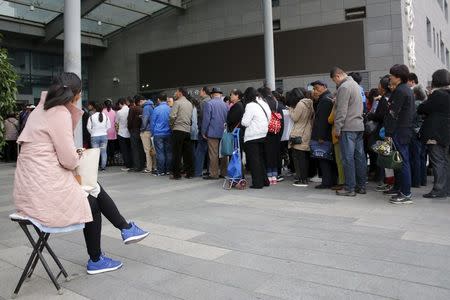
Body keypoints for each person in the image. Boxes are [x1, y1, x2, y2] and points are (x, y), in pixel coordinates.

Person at [13, 72, 149, 275]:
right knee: (92, 194)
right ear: (76, 95)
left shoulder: (40, 110)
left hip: (30, 189)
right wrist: (77, 156)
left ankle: (116, 238)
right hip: (44, 190)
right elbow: (68, 161)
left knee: (92, 197)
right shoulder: (58, 112)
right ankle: (114, 239)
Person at [330, 67, 367, 197]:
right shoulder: (357, 86)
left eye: (334, 80)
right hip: (358, 126)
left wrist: (338, 127)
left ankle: (349, 188)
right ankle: (361, 186)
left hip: (348, 127)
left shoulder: (344, 87)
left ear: (337, 76)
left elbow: (341, 110)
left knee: (347, 158)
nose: (336, 83)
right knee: (360, 157)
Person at [384, 64, 415, 204]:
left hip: (400, 131)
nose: (390, 78)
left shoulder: (401, 91)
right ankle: (401, 189)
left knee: (402, 162)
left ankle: (406, 194)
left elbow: (392, 113)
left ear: (398, 77)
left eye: (392, 75)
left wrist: (389, 132)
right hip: (404, 129)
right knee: (401, 161)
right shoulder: (405, 89)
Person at [417, 69, 450, 198]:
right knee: (446, 161)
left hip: (436, 133)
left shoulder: (438, 95)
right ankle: (446, 188)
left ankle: (438, 189)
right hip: (447, 133)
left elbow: (422, 108)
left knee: (437, 161)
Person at [241, 87, 271, 189]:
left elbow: (245, 122)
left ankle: (257, 183)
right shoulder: (263, 103)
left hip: (252, 136)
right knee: (261, 159)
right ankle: (265, 180)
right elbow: (269, 117)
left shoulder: (250, 105)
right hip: (263, 134)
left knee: (254, 160)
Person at [310, 80, 336, 189]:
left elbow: (323, 121)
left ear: (324, 86)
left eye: (317, 88)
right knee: (328, 159)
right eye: (314, 89)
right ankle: (331, 181)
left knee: (324, 159)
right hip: (328, 135)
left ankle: (327, 182)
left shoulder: (325, 100)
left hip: (324, 136)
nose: (315, 91)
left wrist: (321, 136)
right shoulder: (326, 98)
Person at [367, 76, 391, 191]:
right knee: (385, 157)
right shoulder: (390, 97)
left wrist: (371, 115)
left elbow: (381, 115)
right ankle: (386, 181)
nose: (378, 87)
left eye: (379, 85)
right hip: (387, 131)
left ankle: (384, 181)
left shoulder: (384, 99)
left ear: (383, 87)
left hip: (382, 132)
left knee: (382, 157)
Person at [287, 88, 314, 187]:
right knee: (304, 157)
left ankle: (302, 179)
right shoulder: (309, 103)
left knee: (298, 157)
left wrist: (290, 109)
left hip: (299, 132)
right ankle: (305, 178)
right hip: (307, 131)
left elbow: (294, 117)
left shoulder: (300, 104)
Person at [202, 87, 229, 180]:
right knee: (224, 153)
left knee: (213, 154)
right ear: (220, 94)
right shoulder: (226, 105)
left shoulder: (208, 104)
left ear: (212, 94)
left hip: (212, 132)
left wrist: (203, 132)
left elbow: (206, 120)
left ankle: (214, 174)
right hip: (224, 132)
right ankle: (223, 172)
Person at [259, 87, 283, 185]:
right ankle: (275, 175)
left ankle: (269, 175)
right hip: (276, 130)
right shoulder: (275, 101)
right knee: (274, 153)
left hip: (267, 130)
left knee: (267, 153)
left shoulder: (264, 102)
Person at [170, 87, 194, 179]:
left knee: (177, 153)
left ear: (180, 93)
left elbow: (172, 116)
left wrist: (171, 126)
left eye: (176, 92)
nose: (175, 93)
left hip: (178, 129)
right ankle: (189, 173)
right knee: (187, 153)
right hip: (187, 130)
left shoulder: (177, 103)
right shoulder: (189, 103)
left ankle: (176, 174)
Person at [151, 93, 172, 176]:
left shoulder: (156, 109)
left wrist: (152, 133)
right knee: (169, 152)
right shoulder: (170, 109)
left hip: (158, 133)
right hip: (168, 133)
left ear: (158, 100)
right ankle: (168, 170)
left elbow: (152, 123)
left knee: (160, 152)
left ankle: (161, 170)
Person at [87, 103, 111, 171]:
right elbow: (109, 126)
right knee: (103, 152)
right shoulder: (106, 116)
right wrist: (104, 131)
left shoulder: (91, 117)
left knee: (95, 153)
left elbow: (88, 127)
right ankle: (103, 167)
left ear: (94, 109)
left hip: (94, 137)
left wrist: (92, 133)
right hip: (104, 136)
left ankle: (96, 167)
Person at [194, 87, 211, 177]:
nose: (199, 92)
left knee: (200, 151)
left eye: (200, 91)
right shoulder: (211, 100)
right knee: (210, 152)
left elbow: (203, 118)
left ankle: (197, 171)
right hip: (211, 130)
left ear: (204, 92)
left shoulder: (203, 102)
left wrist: (203, 131)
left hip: (204, 130)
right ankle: (210, 171)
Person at [128, 95, 146, 172]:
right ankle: (142, 165)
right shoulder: (143, 109)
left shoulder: (132, 108)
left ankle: (137, 166)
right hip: (141, 130)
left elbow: (129, 121)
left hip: (134, 130)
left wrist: (129, 128)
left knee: (135, 149)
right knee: (141, 148)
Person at [115, 98, 132, 171]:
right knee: (130, 149)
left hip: (121, 133)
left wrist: (116, 130)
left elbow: (116, 122)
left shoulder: (119, 112)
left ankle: (127, 165)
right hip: (129, 133)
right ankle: (131, 164)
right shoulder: (130, 110)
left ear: (120, 103)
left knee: (124, 150)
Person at [140, 98, 156, 174]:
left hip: (146, 131)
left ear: (141, 101)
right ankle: (154, 166)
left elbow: (145, 120)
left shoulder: (146, 107)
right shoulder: (152, 106)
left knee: (147, 150)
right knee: (153, 150)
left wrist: (142, 129)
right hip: (152, 130)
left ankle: (149, 167)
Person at [102, 99, 118, 166]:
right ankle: (112, 160)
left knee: (107, 147)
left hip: (106, 131)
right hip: (113, 131)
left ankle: (107, 160)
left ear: (105, 105)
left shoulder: (103, 111)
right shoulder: (114, 112)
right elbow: (116, 122)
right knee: (112, 147)